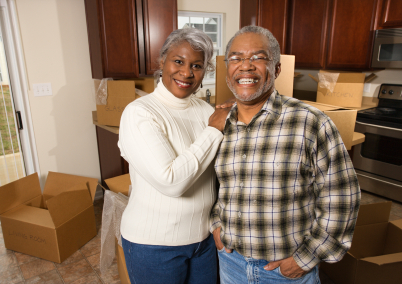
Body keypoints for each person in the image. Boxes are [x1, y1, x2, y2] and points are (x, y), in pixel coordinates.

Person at [210, 25, 361, 284]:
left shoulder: (311, 123)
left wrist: (306, 259)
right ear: (228, 69)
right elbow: (217, 186)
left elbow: (342, 198)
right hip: (231, 263)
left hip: (285, 273)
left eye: (258, 57)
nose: (245, 66)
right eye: (236, 58)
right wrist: (216, 225)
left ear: (277, 69)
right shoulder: (218, 124)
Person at [118, 28, 229, 284]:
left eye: (197, 65)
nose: (187, 72)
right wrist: (213, 130)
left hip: (204, 241)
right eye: (178, 61)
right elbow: (171, 181)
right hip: (154, 246)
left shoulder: (204, 110)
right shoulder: (139, 113)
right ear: (162, 62)